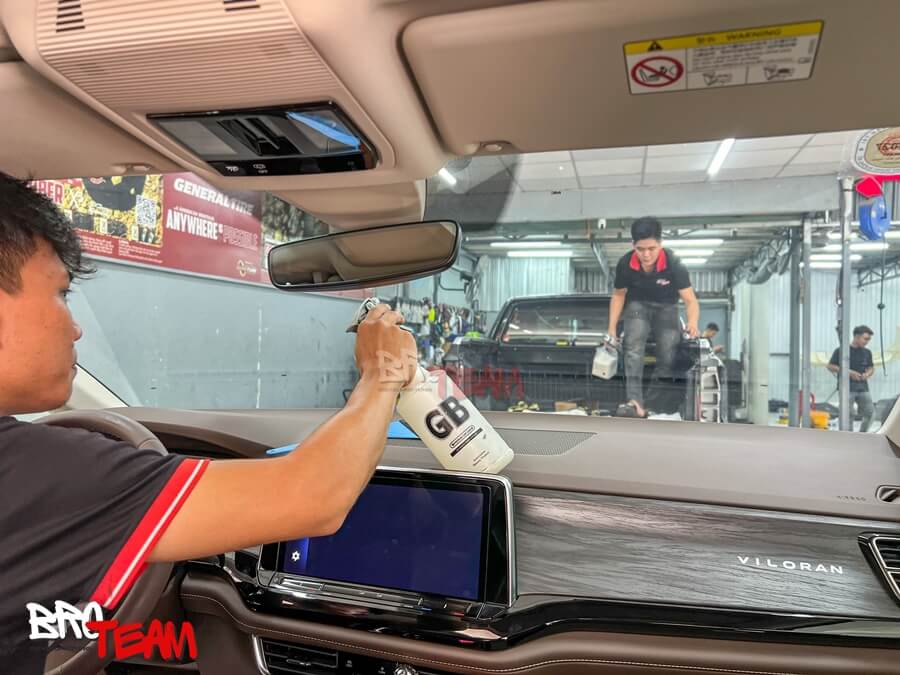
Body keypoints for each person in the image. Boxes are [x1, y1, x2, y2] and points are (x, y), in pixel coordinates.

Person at [0, 172, 418, 673]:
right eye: (62, 293)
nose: (75, 328)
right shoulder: (36, 470)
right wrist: (383, 374)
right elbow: (313, 496)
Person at [606, 217, 700, 418]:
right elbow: (619, 295)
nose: (646, 254)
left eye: (652, 248)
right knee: (633, 348)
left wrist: (692, 322)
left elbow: (690, 300)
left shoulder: (674, 264)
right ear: (633, 245)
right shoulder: (625, 264)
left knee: (668, 354)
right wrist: (611, 328)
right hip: (637, 306)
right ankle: (635, 402)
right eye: (640, 249)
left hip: (667, 307)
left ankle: (650, 404)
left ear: (660, 244)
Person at [827, 325, 876, 432]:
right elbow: (830, 366)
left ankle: (863, 434)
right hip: (847, 388)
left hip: (863, 388)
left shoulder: (867, 352)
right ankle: (849, 436)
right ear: (857, 337)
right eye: (865, 339)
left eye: (869, 339)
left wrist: (868, 374)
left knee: (870, 413)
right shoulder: (841, 351)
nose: (867, 342)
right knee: (848, 414)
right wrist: (848, 372)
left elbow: (871, 367)